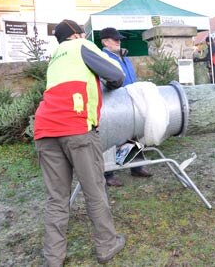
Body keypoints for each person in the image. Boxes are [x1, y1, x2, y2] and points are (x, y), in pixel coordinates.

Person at [34, 19, 125, 265]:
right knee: (94, 190)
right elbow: (117, 74)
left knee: (57, 197)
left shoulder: (54, 58)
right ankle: (106, 246)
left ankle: (53, 258)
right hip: (77, 128)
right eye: (83, 33)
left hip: (44, 130)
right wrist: (110, 83)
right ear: (77, 34)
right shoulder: (81, 46)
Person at [99, 27, 153, 187]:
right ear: (105, 42)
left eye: (119, 39)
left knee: (135, 135)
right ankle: (107, 174)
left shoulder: (124, 56)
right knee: (113, 138)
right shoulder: (102, 58)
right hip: (114, 104)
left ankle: (136, 167)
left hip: (132, 101)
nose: (119, 41)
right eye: (115, 39)